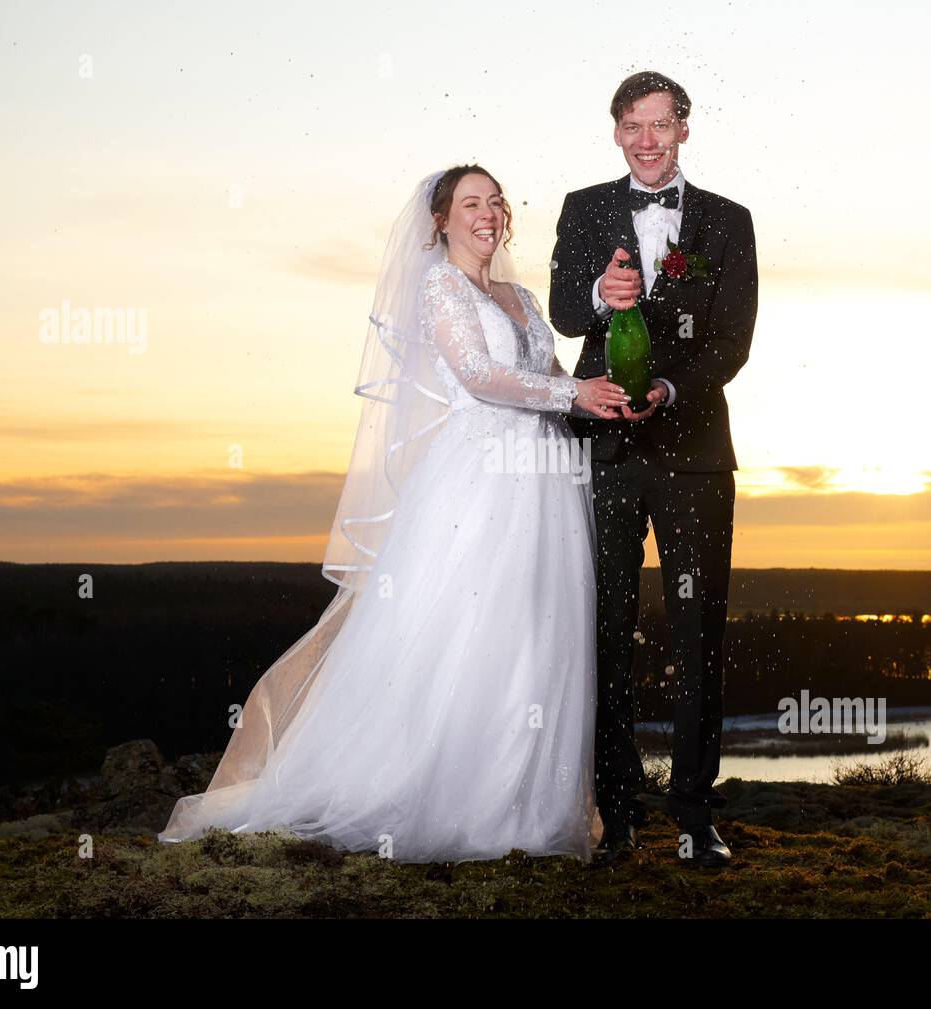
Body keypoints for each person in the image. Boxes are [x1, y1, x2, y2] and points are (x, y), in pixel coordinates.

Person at [158, 166, 628, 864]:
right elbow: (479, 376)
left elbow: (551, 374)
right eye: (471, 203)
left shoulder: (522, 295)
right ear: (441, 220)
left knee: (535, 634)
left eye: (496, 202)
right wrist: (570, 398)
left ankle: (522, 804)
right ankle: (448, 800)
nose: (488, 214)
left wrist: (603, 393)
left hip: (543, 480)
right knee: (470, 631)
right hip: (478, 482)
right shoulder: (439, 285)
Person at [549, 71, 759, 867]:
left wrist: (669, 388)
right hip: (603, 447)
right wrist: (602, 295)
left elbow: (732, 342)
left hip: (695, 453)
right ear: (615, 132)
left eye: (660, 124)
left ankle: (695, 816)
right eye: (631, 125)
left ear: (684, 129)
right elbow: (566, 312)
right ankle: (617, 813)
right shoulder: (580, 208)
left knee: (699, 630)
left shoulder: (728, 222)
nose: (646, 139)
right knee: (602, 629)